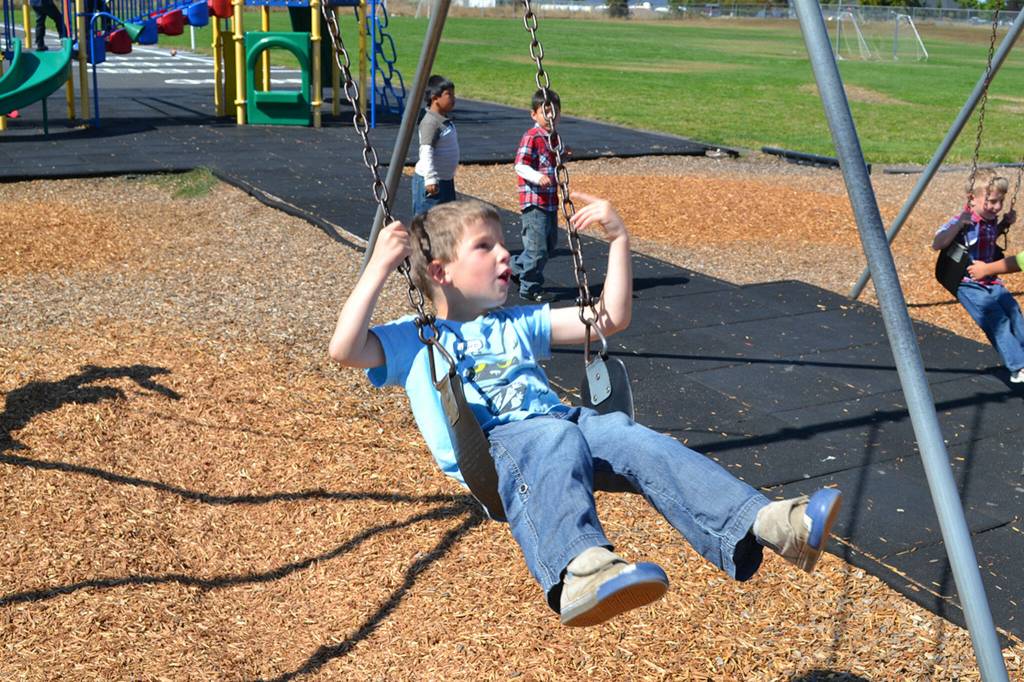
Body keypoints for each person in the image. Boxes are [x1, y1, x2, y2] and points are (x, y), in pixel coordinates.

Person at [328, 194, 843, 627]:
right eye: (485, 247)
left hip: (562, 428)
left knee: (632, 437)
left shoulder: (517, 323)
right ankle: (580, 570)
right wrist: (377, 268)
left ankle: (770, 525)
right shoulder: (416, 337)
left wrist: (619, 242)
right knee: (554, 437)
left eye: (503, 242)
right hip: (496, 448)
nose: (505, 254)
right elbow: (345, 349)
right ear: (440, 272)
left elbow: (609, 318)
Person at [933, 169, 1024, 384]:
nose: (998, 207)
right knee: (997, 320)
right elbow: (937, 243)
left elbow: (988, 238)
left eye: (1000, 201)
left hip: (990, 279)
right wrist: (958, 225)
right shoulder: (964, 220)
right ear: (972, 198)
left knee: (1014, 312)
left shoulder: (991, 219)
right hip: (967, 282)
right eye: (992, 201)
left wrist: (1003, 225)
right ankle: (1018, 366)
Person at [510, 89, 564, 303]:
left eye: (555, 112)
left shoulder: (554, 137)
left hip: (550, 201)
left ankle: (514, 268)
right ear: (534, 115)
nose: (550, 117)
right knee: (537, 247)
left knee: (549, 245)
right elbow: (520, 165)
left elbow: (553, 164)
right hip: (534, 202)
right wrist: (536, 177)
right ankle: (530, 288)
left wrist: (564, 155)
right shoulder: (531, 136)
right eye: (545, 112)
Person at [412, 75, 459, 217]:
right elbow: (426, 151)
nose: (453, 98)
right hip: (433, 184)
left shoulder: (443, 120)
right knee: (426, 222)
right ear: (435, 98)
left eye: (453, 94)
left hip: (445, 180)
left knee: (446, 223)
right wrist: (430, 178)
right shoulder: (430, 122)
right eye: (448, 95)